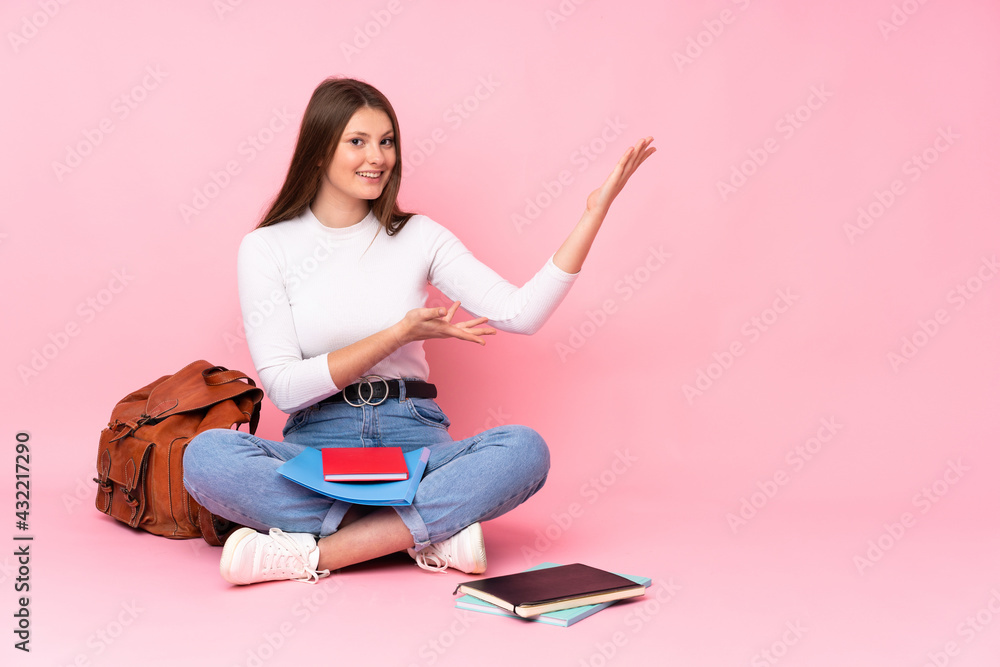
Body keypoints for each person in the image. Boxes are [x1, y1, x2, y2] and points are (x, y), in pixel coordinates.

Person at [182, 77, 655, 586]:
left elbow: (521, 313)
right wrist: (397, 335)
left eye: (387, 141)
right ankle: (422, 530)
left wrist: (592, 215)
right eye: (358, 141)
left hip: (417, 444)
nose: (378, 157)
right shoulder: (266, 247)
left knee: (524, 449)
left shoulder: (417, 236)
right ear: (319, 152)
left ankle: (319, 554)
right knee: (207, 457)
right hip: (319, 448)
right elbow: (284, 387)